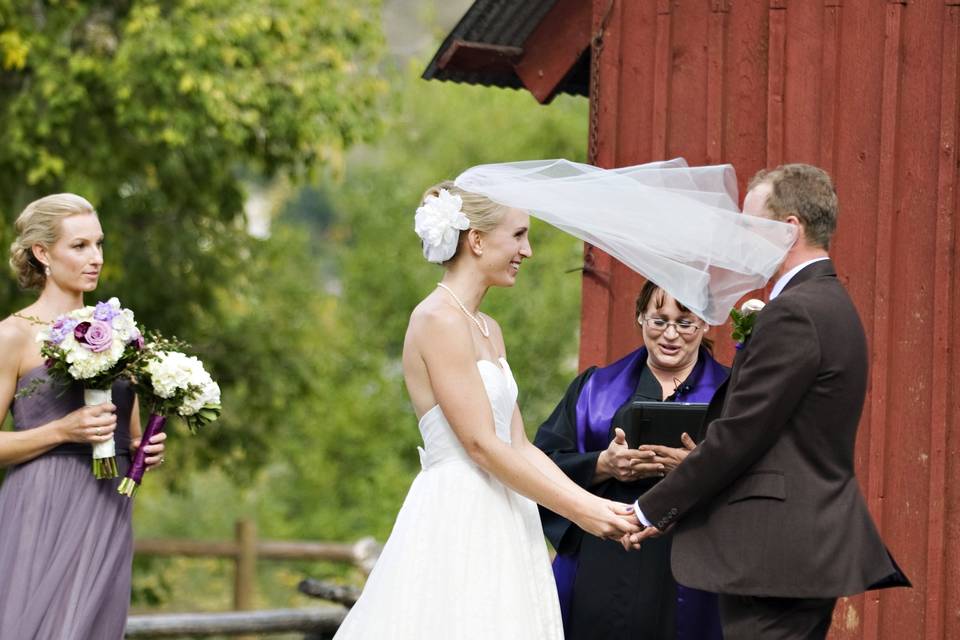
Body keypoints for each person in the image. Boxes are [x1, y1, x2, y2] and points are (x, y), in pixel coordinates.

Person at [332, 182, 640, 639]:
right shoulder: (436, 319)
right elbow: (479, 444)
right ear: (476, 240)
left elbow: (518, 444)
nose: (527, 250)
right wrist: (579, 510)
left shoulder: (487, 327)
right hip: (460, 512)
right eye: (518, 235)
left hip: (506, 508)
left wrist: (599, 508)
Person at [624, 164, 910, 639]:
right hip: (803, 548)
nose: (740, 237)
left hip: (774, 554)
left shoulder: (795, 312)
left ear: (789, 228)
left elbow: (740, 434)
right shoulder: (831, 303)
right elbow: (785, 432)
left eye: (750, 223)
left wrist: (648, 510)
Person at [0, 193, 167, 639]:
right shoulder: (13, 336)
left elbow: (126, 433)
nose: (96, 258)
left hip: (108, 504)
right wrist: (61, 430)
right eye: (80, 246)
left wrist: (145, 449)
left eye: (99, 244)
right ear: (42, 252)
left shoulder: (123, 335)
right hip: (41, 505)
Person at [535, 280, 727, 639]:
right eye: (659, 320)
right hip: (602, 560)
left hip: (689, 567)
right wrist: (601, 465)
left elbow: (760, 480)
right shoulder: (594, 389)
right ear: (640, 317)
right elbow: (541, 465)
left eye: (685, 323)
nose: (670, 334)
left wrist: (698, 471)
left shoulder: (733, 394)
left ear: (705, 323)